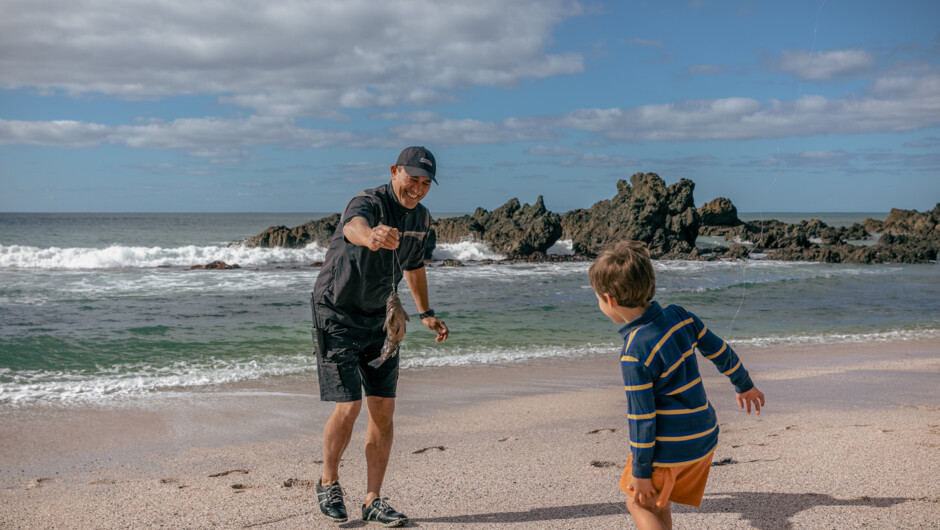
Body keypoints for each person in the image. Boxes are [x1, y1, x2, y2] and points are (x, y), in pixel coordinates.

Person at [310, 146, 449, 527]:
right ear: (394, 171)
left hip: (381, 319)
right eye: (412, 179)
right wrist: (371, 236)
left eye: (425, 183)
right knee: (349, 406)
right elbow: (353, 227)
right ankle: (328, 481)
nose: (417, 189)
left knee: (383, 409)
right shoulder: (367, 202)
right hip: (336, 314)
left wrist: (425, 313)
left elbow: (415, 265)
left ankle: (372, 499)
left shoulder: (420, 218)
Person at [588, 240, 765, 530]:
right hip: (704, 436)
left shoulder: (634, 353)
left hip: (671, 448)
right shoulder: (680, 316)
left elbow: (642, 418)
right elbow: (720, 351)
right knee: (658, 502)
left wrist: (642, 471)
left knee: (637, 501)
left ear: (609, 300)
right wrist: (744, 384)